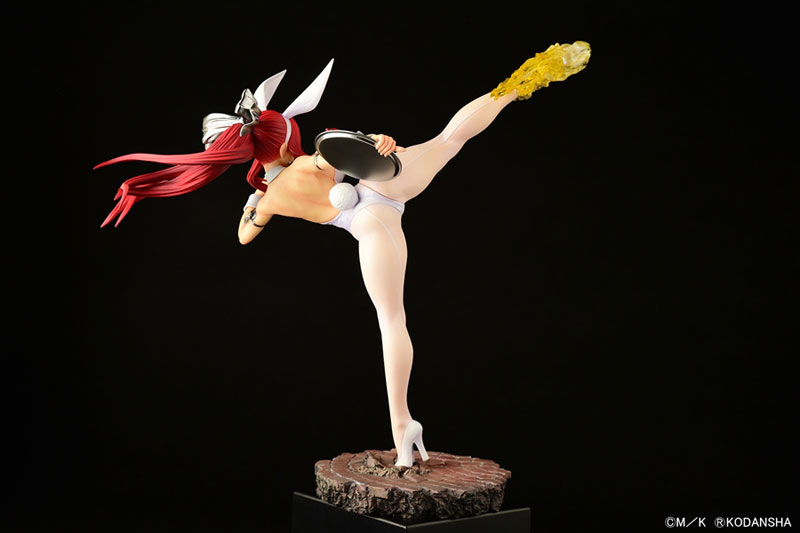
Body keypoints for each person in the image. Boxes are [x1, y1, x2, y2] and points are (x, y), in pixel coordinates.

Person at [95, 41, 591, 467]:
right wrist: (379, 142)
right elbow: (340, 150)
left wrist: (254, 201)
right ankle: (523, 80)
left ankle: (403, 425)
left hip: (368, 222)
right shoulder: (308, 162)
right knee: (450, 136)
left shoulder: (269, 199)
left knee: (391, 321)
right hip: (382, 190)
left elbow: (244, 236)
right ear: (285, 139)